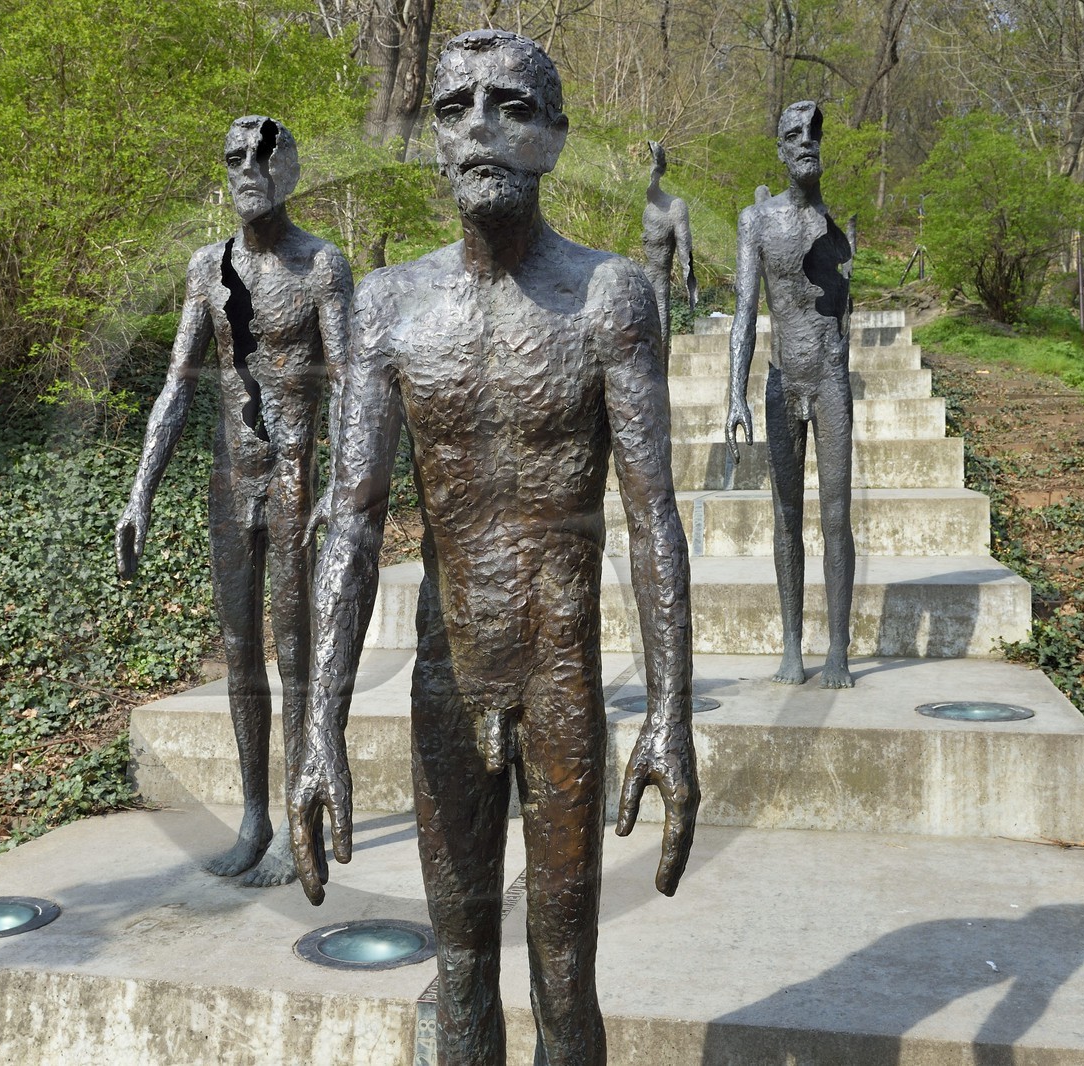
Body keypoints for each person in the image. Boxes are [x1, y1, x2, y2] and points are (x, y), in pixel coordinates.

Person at [287, 31, 700, 1065]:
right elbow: (351, 517)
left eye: (511, 106)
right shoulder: (387, 307)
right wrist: (317, 725)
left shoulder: (608, 298)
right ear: (432, 138)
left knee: (564, 972)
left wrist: (672, 717)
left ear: (554, 136)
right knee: (461, 967)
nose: (481, 127)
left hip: (561, 676)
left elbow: (654, 515)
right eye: (456, 106)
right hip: (445, 674)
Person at [116, 116, 352, 887]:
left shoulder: (322, 267)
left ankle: (297, 822)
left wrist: (345, 490)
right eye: (233, 158)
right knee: (241, 656)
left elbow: (350, 387)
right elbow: (177, 386)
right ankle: (254, 816)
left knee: (295, 658)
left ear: (289, 169)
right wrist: (140, 491)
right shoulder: (205, 269)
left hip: (292, 484)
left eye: (263, 154)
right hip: (229, 485)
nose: (247, 168)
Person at [726, 100, 857, 689]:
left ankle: (838, 651)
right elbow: (745, 313)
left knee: (834, 517)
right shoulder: (757, 222)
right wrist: (736, 392)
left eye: (813, 134)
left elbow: (846, 321)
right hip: (783, 380)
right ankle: (790, 646)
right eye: (793, 135)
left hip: (828, 381)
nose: (806, 142)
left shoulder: (837, 226)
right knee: (785, 518)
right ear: (779, 149)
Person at [642, 140, 697, 361]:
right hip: (642, 277)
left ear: (660, 170)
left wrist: (690, 285)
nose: (649, 173)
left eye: (654, 166)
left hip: (660, 280)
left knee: (661, 331)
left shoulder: (675, 206)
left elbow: (685, 247)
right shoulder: (647, 205)